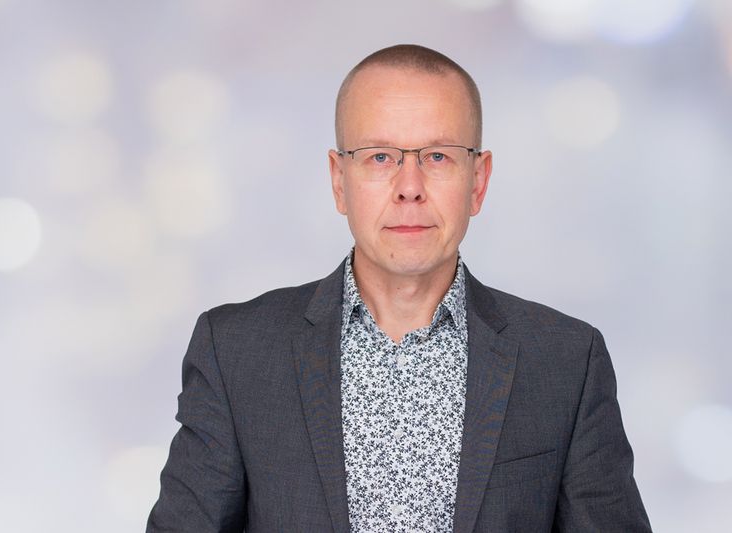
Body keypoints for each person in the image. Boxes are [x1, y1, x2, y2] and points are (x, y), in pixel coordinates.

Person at [147, 44, 652, 532]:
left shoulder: (566, 361)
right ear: (339, 181)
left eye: (438, 157)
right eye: (380, 157)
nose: (409, 187)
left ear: (478, 181)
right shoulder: (236, 352)